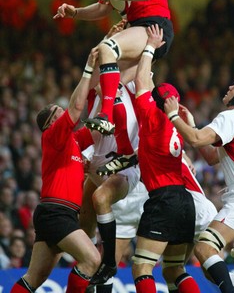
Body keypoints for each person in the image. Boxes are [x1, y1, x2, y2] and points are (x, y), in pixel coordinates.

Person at [54, 0, 174, 135]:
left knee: (107, 48)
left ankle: (106, 117)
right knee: (103, 86)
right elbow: (102, 8)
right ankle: (126, 149)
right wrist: (75, 12)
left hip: (154, 26)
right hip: (136, 29)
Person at [164, 79, 234, 293]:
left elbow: (195, 140)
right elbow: (212, 158)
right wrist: (192, 125)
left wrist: (173, 116)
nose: (229, 88)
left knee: (205, 248)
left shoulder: (231, 116)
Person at [10, 48, 102, 293]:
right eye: (57, 110)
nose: (63, 110)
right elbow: (75, 108)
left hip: (57, 213)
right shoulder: (53, 136)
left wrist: (104, 66)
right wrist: (87, 69)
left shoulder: (72, 141)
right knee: (92, 260)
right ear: (51, 122)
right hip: (56, 212)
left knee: (33, 279)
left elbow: (96, 128)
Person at [131, 24, 197, 293]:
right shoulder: (178, 125)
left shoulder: (151, 117)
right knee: (174, 269)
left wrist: (150, 47)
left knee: (141, 267)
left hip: (163, 199)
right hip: (184, 201)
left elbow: (141, 83)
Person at [80, 70, 142, 289]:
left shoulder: (134, 86)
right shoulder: (94, 93)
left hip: (125, 167)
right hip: (99, 165)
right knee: (85, 250)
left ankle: (108, 263)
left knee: (100, 198)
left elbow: (140, 64)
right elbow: (91, 138)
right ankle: (96, 262)